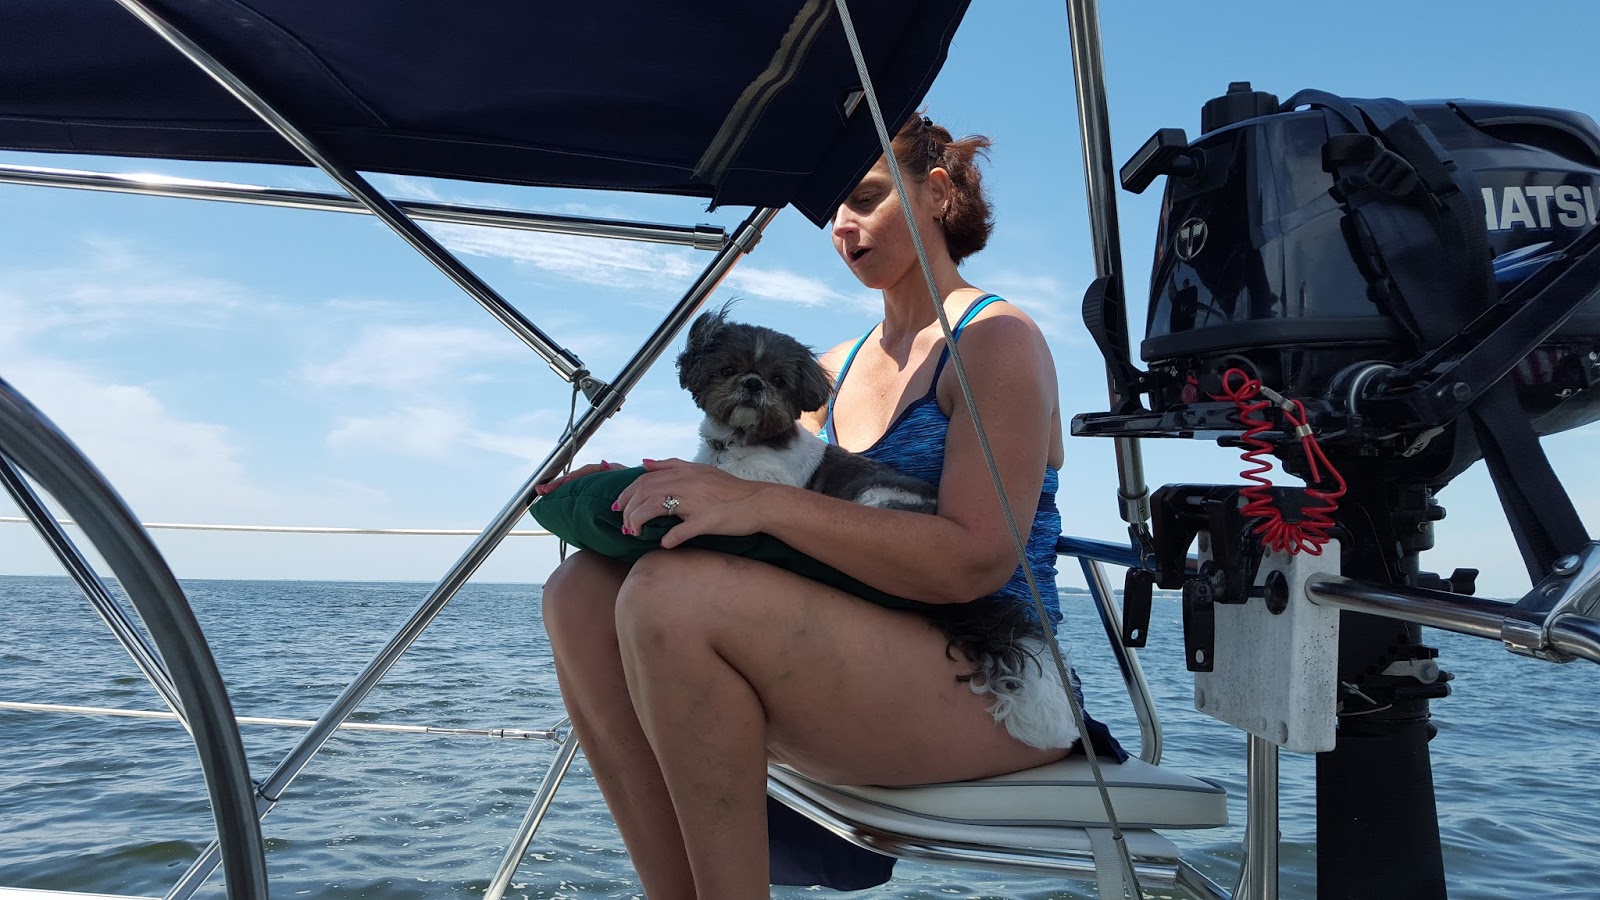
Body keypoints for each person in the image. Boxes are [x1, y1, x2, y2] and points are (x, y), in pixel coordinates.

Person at [535, 113, 1111, 900]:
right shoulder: (832, 368)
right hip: (867, 645)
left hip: (999, 679)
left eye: (865, 198)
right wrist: (650, 484)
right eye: (831, 211)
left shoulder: (994, 341)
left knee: (672, 596)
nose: (842, 225)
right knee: (579, 591)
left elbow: (975, 561)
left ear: (936, 193)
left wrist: (753, 504)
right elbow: (762, 482)